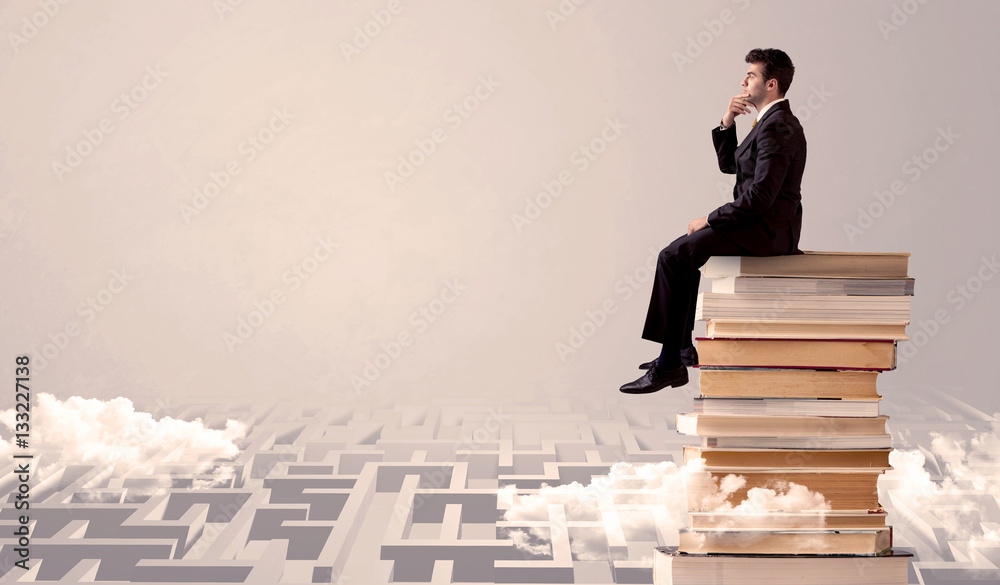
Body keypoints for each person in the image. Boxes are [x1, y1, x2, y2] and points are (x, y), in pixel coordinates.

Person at [620, 48, 806, 394]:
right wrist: (726, 123)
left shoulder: (778, 127)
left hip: (767, 231)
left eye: (751, 75)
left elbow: (760, 197)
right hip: (757, 222)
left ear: (771, 84)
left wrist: (708, 219)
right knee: (682, 255)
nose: (743, 80)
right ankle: (680, 348)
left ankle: (669, 364)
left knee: (674, 255)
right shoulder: (769, 122)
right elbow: (733, 168)